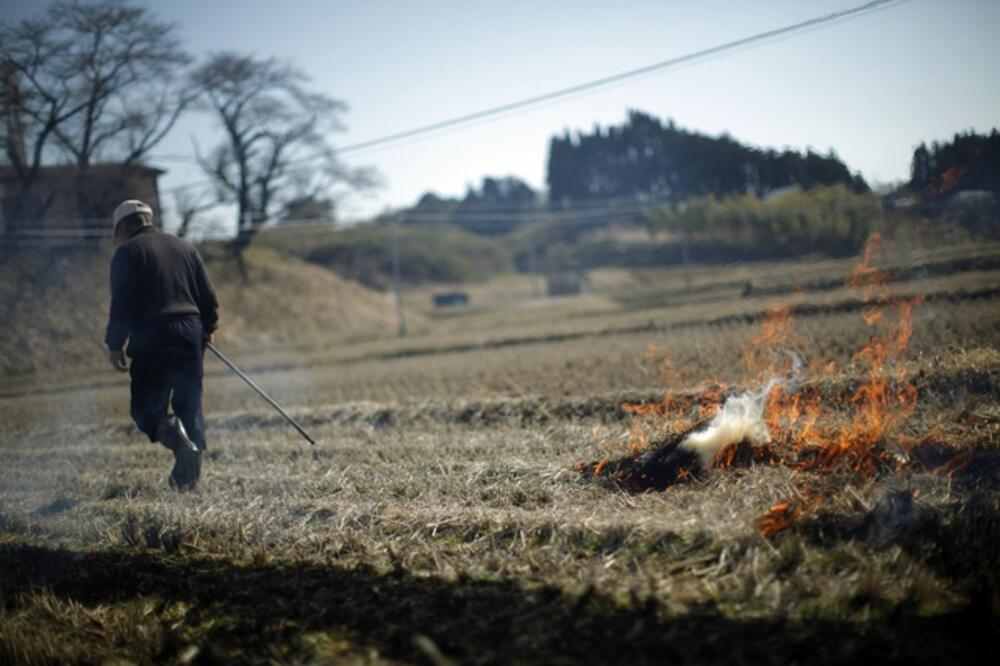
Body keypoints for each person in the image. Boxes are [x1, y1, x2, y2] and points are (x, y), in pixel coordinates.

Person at [105, 199, 219, 491]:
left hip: (152, 334)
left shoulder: (128, 252)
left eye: (115, 231)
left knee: (146, 408)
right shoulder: (184, 246)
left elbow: (122, 304)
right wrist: (208, 327)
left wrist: (114, 344)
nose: (115, 237)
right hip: (189, 332)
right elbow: (206, 294)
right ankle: (188, 482)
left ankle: (182, 449)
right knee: (189, 405)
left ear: (124, 225)